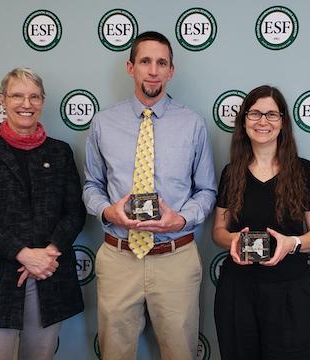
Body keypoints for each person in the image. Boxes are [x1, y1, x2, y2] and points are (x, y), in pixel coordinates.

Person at [82, 31, 216, 360]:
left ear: (171, 71)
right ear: (131, 68)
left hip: (176, 258)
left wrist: (182, 218)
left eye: (161, 63)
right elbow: (90, 186)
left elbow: (207, 190)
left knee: (180, 353)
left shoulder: (193, 124)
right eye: (145, 61)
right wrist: (108, 212)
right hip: (118, 258)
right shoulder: (103, 123)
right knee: (115, 353)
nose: (153, 70)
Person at [0, 68, 86, 360]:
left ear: (42, 102)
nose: (26, 104)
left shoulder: (61, 153)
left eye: (34, 96)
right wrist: (24, 254)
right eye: (17, 95)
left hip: (49, 279)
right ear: (3, 100)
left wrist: (48, 254)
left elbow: (74, 212)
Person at [212, 85, 310, 360]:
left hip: (291, 292)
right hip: (238, 292)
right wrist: (234, 241)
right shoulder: (231, 172)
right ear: (243, 121)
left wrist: (292, 243)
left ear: (283, 122)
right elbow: (218, 231)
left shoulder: (304, 171)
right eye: (254, 114)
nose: (263, 121)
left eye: (271, 115)